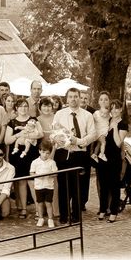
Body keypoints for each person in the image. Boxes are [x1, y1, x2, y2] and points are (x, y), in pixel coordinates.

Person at [51, 87, 96, 224]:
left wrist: (80, 141)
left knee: (78, 186)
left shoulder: (87, 115)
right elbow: (53, 132)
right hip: (63, 154)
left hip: (80, 154)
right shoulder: (59, 114)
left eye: (76, 96)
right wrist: (56, 138)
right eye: (70, 97)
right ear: (66, 98)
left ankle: (76, 215)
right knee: (64, 186)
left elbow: (93, 134)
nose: (73, 99)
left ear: (79, 98)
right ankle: (64, 215)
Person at [5, 98, 43, 218]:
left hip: (32, 154)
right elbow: (7, 140)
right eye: (20, 106)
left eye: (25, 106)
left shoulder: (34, 120)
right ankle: (23, 209)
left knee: (33, 181)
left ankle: (38, 209)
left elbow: (40, 134)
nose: (23, 108)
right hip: (17, 155)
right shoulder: (12, 123)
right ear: (16, 108)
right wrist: (19, 135)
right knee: (21, 181)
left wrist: (27, 135)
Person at [96, 99, 128, 223]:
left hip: (114, 159)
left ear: (121, 110)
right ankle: (103, 209)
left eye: (116, 108)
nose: (114, 111)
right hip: (104, 157)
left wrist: (114, 127)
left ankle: (114, 211)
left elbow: (118, 143)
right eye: (112, 108)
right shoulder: (108, 121)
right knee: (103, 185)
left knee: (114, 186)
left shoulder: (123, 124)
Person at [29, 140, 57, 228]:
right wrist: (38, 176)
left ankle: (50, 219)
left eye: (48, 153)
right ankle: (41, 218)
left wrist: (49, 174)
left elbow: (55, 173)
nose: (45, 155)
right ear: (40, 151)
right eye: (43, 152)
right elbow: (31, 173)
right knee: (40, 203)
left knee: (48, 203)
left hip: (49, 186)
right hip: (39, 186)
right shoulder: (34, 162)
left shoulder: (52, 162)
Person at [91, 91, 112, 162]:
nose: (103, 101)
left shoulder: (111, 113)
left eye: (106, 99)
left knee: (99, 143)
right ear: (98, 102)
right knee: (103, 142)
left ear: (109, 101)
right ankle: (102, 154)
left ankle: (95, 154)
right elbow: (91, 123)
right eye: (101, 99)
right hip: (99, 132)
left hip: (105, 133)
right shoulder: (96, 113)